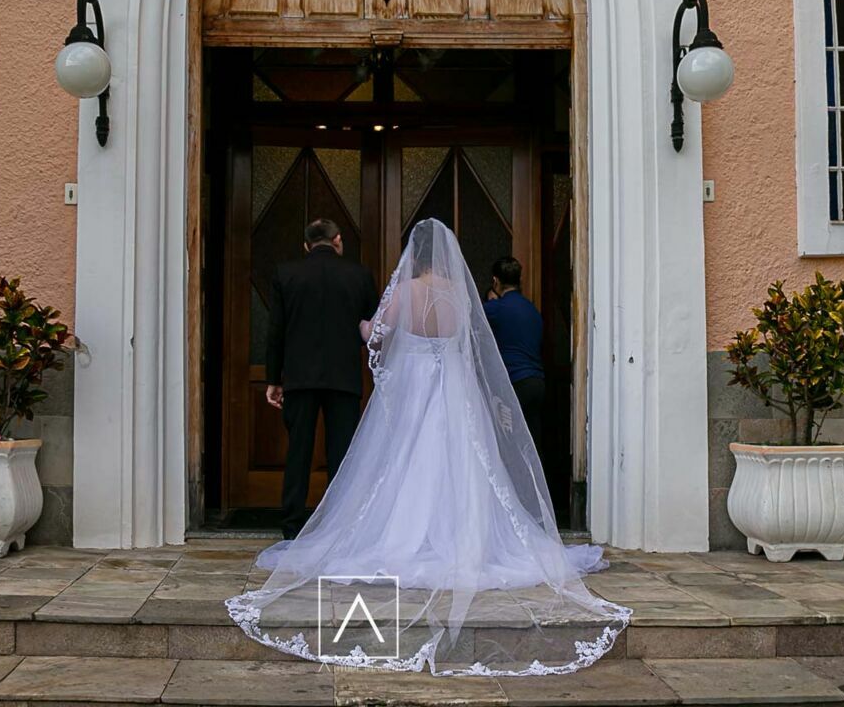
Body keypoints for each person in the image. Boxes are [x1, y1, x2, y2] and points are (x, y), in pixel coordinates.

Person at [228, 219, 628, 677]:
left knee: (403, 461)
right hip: (453, 392)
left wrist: (362, 326)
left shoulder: (405, 292)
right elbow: (473, 344)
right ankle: (464, 537)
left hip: (414, 389)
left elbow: (376, 336)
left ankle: (402, 535)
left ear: (412, 259)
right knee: (462, 462)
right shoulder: (460, 296)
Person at [264, 217, 379, 541]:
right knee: (341, 454)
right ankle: (337, 527)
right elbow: (373, 328)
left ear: (306, 245)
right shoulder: (359, 275)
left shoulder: (286, 274)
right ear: (338, 240)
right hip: (343, 376)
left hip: (300, 377)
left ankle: (292, 525)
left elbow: (276, 332)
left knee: (298, 451)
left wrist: (274, 378)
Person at [484, 255, 545, 456]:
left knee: (508, 445)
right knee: (532, 445)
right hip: (537, 383)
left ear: (495, 281)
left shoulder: (497, 308)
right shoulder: (532, 310)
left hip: (515, 384)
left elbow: (471, 319)